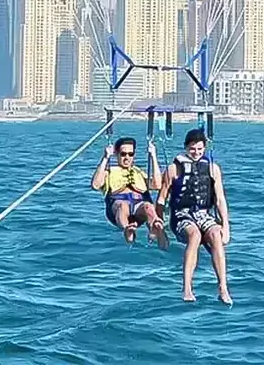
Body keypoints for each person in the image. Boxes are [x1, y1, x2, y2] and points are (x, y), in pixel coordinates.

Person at [157, 128, 231, 304]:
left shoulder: (213, 169)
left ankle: (223, 287)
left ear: (204, 148)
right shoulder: (173, 169)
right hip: (181, 216)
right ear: (185, 148)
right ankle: (187, 287)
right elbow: (161, 199)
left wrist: (226, 225)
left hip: (203, 214)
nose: (196, 153)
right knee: (195, 235)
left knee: (215, 234)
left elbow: (220, 199)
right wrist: (159, 229)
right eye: (192, 149)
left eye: (199, 149)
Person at [91, 136, 168, 249]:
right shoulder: (109, 171)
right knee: (123, 205)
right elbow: (95, 185)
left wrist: (153, 156)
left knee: (149, 207)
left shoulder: (139, 172)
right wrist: (106, 157)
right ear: (116, 154)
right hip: (118, 206)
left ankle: (156, 228)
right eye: (123, 154)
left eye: (130, 154)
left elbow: (157, 185)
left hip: (139, 206)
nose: (127, 158)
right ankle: (127, 229)